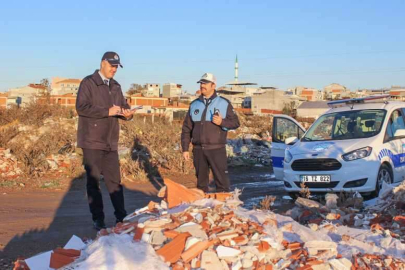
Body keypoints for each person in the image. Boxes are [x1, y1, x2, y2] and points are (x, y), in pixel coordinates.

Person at [76, 51, 135, 230]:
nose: (114, 69)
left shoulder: (116, 86)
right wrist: (106, 111)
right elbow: (82, 107)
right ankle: (98, 219)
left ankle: (121, 217)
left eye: (117, 66)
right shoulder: (88, 83)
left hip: (110, 142)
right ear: (103, 63)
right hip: (92, 141)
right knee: (93, 182)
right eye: (112, 65)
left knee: (114, 182)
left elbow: (122, 107)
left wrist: (128, 114)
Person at [181, 73, 240, 193]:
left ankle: (223, 209)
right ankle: (204, 210)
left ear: (213, 85)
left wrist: (222, 122)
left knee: (221, 183)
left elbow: (235, 123)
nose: (202, 85)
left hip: (216, 149)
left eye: (205, 83)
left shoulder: (224, 103)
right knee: (201, 184)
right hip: (198, 150)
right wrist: (185, 149)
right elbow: (187, 128)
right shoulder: (194, 105)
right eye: (201, 83)